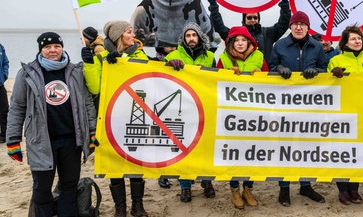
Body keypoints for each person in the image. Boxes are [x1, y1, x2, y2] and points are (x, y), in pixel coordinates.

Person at [6, 32, 98, 216]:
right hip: (41, 141)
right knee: (41, 190)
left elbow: (87, 102)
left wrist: (92, 131)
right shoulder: (27, 73)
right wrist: (13, 140)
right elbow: (17, 107)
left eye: (56, 46)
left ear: (62, 47)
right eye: (47, 47)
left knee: (69, 187)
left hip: (72, 141)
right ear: (41, 50)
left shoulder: (74, 71)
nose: (53, 50)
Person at [83, 20, 149, 217]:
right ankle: (120, 207)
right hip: (111, 117)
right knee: (114, 162)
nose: (133, 34)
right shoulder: (101, 56)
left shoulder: (140, 53)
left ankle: (138, 205)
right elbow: (95, 87)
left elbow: (152, 76)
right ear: (118, 36)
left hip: (136, 115)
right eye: (128, 32)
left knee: (137, 160)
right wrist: (89, 63)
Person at [269, 11, 327, 206]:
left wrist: (317, 71)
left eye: (303, 24)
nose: (299, 27)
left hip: (310, 108)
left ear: (307, 27)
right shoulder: (280, 45)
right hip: (284, 107)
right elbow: (269, 68)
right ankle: (284, 189)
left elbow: (325, 72)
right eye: (296, 24)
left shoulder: (317, 46)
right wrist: (278, 69)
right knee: (284, 148)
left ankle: (305, 186)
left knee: (308, 148)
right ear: (291, 27)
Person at [164, 22, 216, 203]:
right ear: (183, 39)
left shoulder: (210, 57)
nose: (191, 39)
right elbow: (160, 79)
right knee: (184, 149)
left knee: (206, 148)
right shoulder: (172, 55)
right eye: (188, 36)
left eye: (194, 35)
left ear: (200, 37)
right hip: (182, 111)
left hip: (205, 109)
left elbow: (216, 81)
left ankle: (207, 182)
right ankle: (185, 187)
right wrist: (168, 64)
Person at [216, 25, 267, 208]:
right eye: (236, 40)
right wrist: (227, 76)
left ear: (249, 42)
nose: (239, 43)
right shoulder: (223, 59)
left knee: (252, 152)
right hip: (232, 114)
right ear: (230, 43)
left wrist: (262, 77)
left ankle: (247, 188)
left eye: (243, 40)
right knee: (233, 152)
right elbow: (214, 84)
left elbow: (271, 83)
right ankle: (234, 190)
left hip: (253, 114)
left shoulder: (259, 57)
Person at [327, 25, 363, 205]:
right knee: (342, 153)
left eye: (359, 39)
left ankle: (354, 189)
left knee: (358, 153)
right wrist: (332, 75)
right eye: (353, 39)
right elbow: (326, 86)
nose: (357, 42)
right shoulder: (336, 59)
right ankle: (342, 190)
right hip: (342, 114)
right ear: (345, 42)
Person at [205, 0, 291, 63]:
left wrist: (285, 4)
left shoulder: (267, 33)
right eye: (249, 18)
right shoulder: (234, 34)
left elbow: (283, 23)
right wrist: (213, 5)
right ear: (244, 19)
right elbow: (219, 26)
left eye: (255, 17)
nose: (253, 20)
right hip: (241, 77)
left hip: (263, 76)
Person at [0, 42, 9, 143]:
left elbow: (5, 62)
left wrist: (4, 75)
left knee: (4, 110)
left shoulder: (0, 47)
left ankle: (4, 135)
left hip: (0, 85)